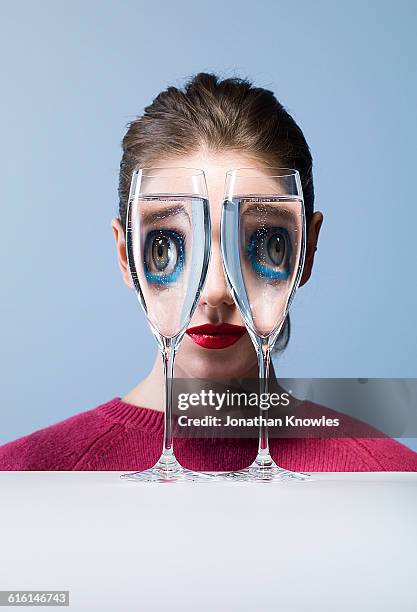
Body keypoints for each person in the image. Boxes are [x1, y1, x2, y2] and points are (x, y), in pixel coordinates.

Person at [1, 72, 416, 472]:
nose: (216, 290)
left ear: (306, 252)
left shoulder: (391, 484)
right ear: (126, 254)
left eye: (266, 243)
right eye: (167, 247)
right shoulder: (22, 479)